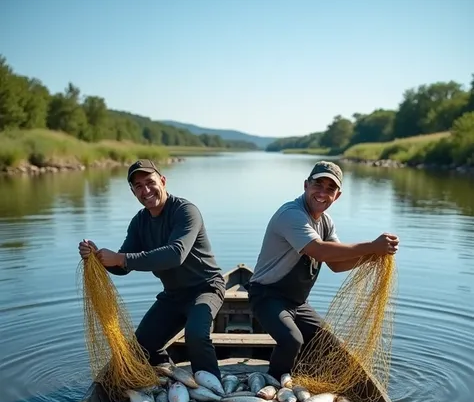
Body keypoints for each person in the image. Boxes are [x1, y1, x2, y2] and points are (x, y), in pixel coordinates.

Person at [247, 160, 399, 380]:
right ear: (306, 185)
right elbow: (319, 251)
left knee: (328, 345)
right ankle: (273, 386)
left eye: (330, 189)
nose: (322, 193)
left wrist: (372, 256)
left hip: (298, 303)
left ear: (337, 196)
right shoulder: (291, 214)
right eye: (318, 185)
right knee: (292, 340)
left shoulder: (326, 222)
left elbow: (337, 264)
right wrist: (372, 246)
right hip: (266, 297)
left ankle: (299, 378)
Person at [78, 159, 225, 378]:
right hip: (173, 296)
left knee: (195, 334)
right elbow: (122, 267)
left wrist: (121, 258)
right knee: (141, 349)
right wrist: (98, 259)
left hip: (205, 288)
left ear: (163, 181)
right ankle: (169, 373)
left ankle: (212, 388)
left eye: (150, 182)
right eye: (138, 186)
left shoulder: (186, 211)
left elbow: (176, 254)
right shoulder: (139, 222)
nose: (146, 190)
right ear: (133, 192)